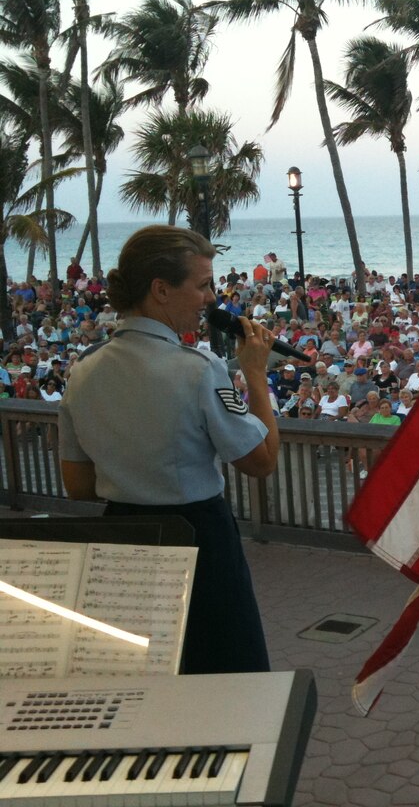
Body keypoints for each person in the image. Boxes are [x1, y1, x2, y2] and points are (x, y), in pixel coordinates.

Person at [58, 225, 277, 675]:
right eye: (201, 285)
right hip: (198, 538)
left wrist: (136, 476)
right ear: (160, 289)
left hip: (121, 539)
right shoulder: (198, 369)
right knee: (222, 672)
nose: (210, 298)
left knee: (142, 676)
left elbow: (78, 485)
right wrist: (255, 373)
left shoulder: (84, 371)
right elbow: (261, 461)